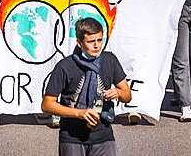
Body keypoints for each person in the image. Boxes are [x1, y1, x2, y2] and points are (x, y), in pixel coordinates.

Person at [41, 17, 132, 156]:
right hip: (72, 136)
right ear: (79, 43)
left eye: (100, 40)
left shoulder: (110, 60)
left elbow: (127, 95)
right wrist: (80, 113)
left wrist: (118, 93)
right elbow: (47, 105)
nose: (96, 46)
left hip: (103, 134)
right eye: (90, 41)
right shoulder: (65, 66)